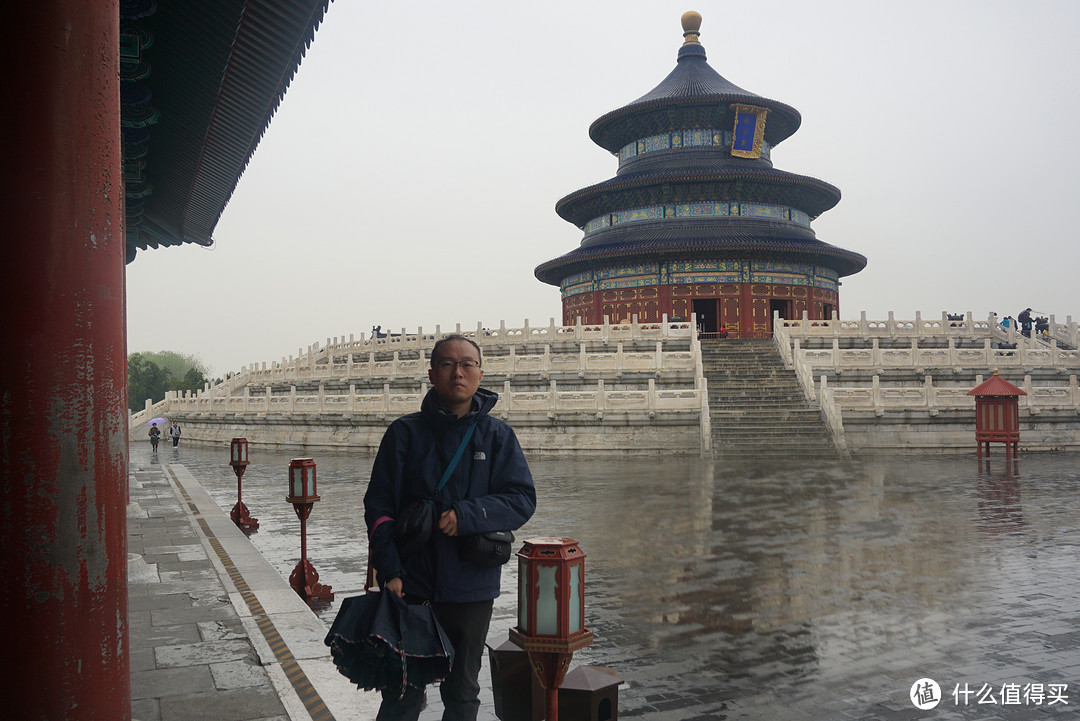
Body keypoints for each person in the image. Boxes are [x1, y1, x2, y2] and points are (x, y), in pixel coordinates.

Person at [364, 335, 536, 721]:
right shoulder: (404, 434)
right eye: (446, 364)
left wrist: (469, 515)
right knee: (401, 691)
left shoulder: (497, 436)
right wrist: (389, 570)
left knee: (462, 693)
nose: (457, 372)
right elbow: (379, 507)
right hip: (410, 585)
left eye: (467, 364)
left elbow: (522, 499)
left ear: (479, 373)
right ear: (431, 373)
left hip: (471, 588)